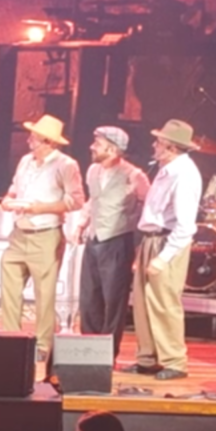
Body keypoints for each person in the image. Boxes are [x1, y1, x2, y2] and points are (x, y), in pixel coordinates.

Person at [0, 113, 86, 374]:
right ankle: (11, 340)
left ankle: (42, 346)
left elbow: (76, 200)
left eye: (34, 137)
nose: (29, 141)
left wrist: (40, 208)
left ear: (48, 142)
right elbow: (14, 188)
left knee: (44, 295)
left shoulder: (66, 165)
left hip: (45, 234)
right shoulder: (25, 161)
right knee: (9, 289)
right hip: (19, 233)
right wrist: (8, 199)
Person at [129, 120, 206, 380]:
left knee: (164, 302)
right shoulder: (167, 170)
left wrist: (163, 258)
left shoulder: (184, 174)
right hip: (152, 239)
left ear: (171, 147)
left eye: (159, 142)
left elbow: (185, 226)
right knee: (143, 301)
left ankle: (174, 361)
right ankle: (148, 358)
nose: (154, 145)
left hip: (167, 242)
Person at [74, 127, 149, 355]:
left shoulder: (134, 175)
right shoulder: (93, 170)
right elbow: (93, 200)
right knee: (89, 297)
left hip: (118, 241)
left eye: (97, 143)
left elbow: (148, 207)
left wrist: (137, 235)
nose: (92, 147)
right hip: (94, 239)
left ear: (112, 149)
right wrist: (81, 224)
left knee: (114, 300)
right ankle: (89, 350)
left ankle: (107, 353)